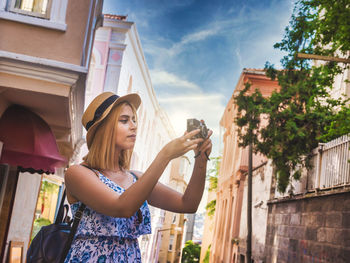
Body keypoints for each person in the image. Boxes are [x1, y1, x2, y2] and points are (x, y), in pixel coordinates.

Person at [64, 91, 212, 262]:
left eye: (134, 119)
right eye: (124, 120)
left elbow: (188, 204)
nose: (134, 126)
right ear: (103, 129)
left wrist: (201, 158)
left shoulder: (136, 178)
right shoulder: (77, 173)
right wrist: (164, 155)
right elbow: (122, 207)